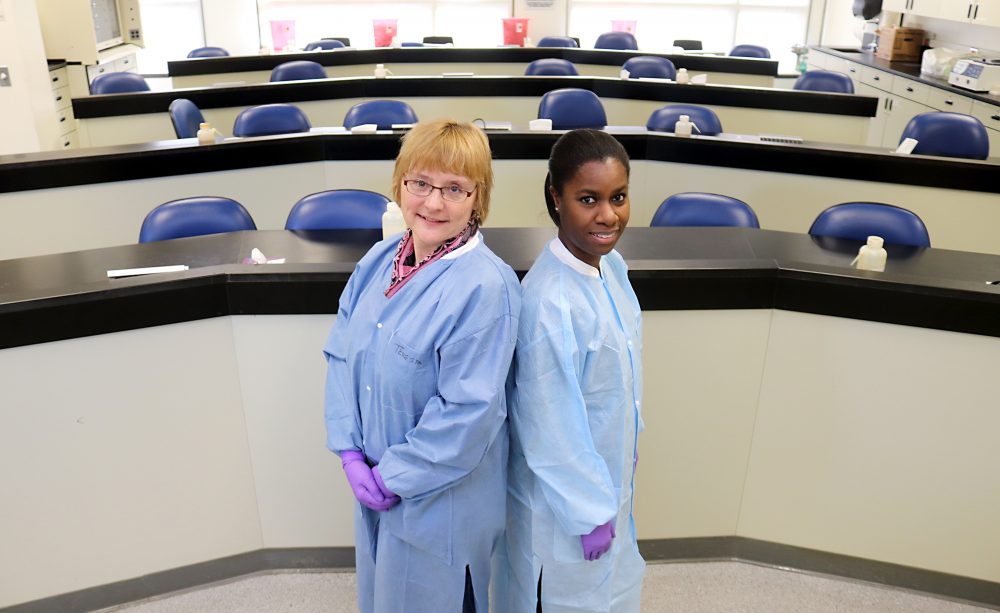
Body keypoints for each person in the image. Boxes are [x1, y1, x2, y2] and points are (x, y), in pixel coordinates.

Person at [323, 118, 521, 613]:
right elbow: (340, 353)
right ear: (400, 184)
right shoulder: (379, 259)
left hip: (443, 508)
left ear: (479, 198)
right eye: (420, 183)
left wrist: (391, 477)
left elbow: (467, 415)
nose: (433, 203)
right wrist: (349, 450)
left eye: (455, 188)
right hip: (376, 486)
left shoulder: (485, 288)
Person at [500, 129, 645, 612]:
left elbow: (620, 383)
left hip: (605, 485)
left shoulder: (613, 268)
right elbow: (549, 424)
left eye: (618, 197)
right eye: (588, 199)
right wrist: (587, 513)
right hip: (565, 509)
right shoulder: (550, 303)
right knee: (563, 599)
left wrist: (630, 444)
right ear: (555, 198)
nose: (608, 215)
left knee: (609, 593)